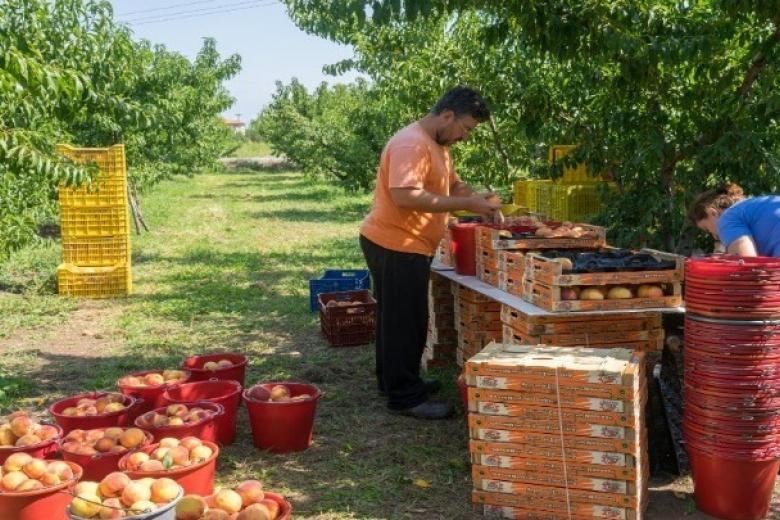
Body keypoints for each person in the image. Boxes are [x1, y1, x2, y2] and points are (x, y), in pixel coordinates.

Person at [358, 86, 502, 420]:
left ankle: (394, 381)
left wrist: (478, 200)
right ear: (447, 115)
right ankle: (405, 397)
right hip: (395, 243)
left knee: (397, 318)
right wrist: (466, 204)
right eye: (464, 128)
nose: (464, 136)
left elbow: (452, 186)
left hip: (404, 244)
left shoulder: (438, 145)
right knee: (406, 321)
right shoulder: (412, 143)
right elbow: (406, 196)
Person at [688, 183, 780, 257]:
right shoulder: (752, 206)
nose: (714, 237)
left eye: (707, 229)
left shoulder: (727, 218)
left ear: (712, 213)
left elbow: (747, 266)